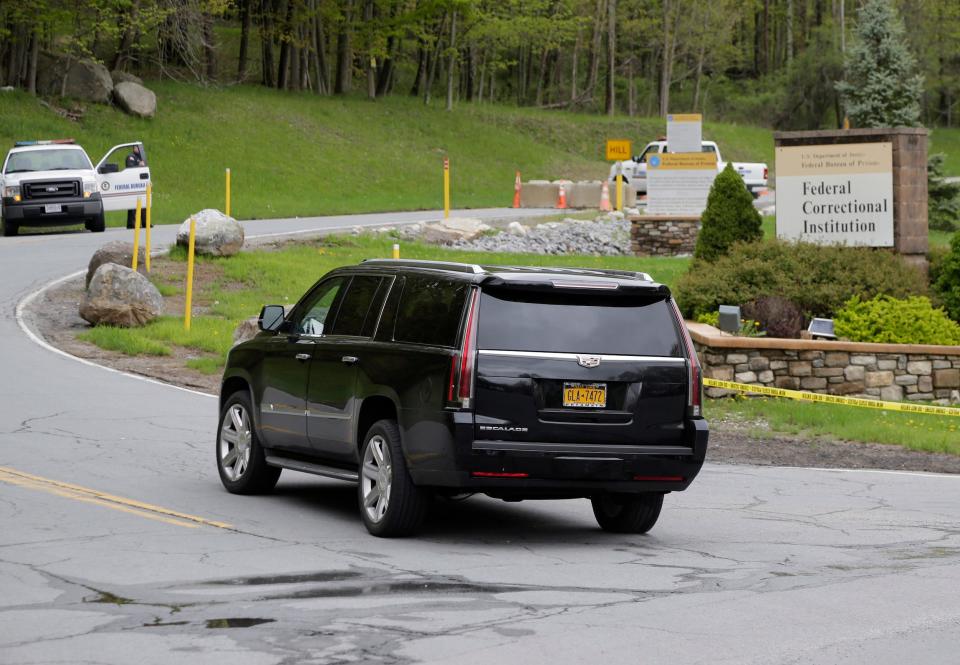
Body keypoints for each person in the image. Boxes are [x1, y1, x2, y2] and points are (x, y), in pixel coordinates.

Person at [125, 146, 146, 229]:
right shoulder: (131, 157)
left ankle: (145, 223)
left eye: (139, 148)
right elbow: (130, 168)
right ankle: (131, 223)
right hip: (133, 183)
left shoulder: (141, 158)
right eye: (136, 147)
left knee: (144, 203)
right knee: (133, 204)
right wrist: (138, 165)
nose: (138, 149)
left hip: (141, 183)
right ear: (133, 149)